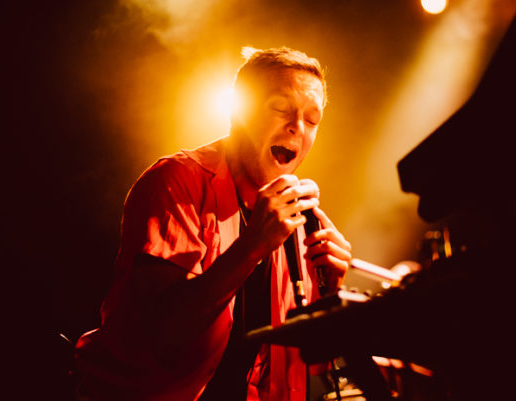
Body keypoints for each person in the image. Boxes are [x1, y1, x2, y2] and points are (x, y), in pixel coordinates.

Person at [75, 46, 352, 401]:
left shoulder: (296, 220)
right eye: (281, 109)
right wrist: (252, 247)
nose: (297, 127)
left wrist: (332, 291)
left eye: (312, 120)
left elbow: (313, 363)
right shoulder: (175, 182)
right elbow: (163, 336)